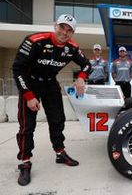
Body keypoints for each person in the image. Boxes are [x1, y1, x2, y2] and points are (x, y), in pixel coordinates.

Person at [12, 14, 91, 186]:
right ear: (55, 25)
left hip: (50, 85)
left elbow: (87, 64)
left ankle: (60, 152)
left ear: (72, 33)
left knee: (57, 120)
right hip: (30, 82)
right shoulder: (34, 40)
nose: (65, 32)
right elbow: (17, 69)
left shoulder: (72, 47)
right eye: (62, 27)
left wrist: (81, 77)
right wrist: (28, 96)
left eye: (69, 30)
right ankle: (25, 162)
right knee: (27, 126)